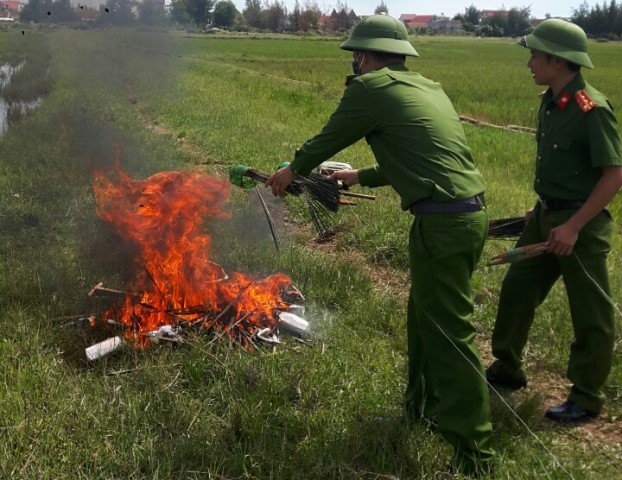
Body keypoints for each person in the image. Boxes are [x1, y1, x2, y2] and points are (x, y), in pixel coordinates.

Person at [266, 14, 494, 476]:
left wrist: (293, 170)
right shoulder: (428, 88)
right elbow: (417, 159)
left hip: (443, 224)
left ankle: (475, 455)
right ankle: (420, 409)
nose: (355, 64)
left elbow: (328, 139)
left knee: (451, 336)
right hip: (466, 216)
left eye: (356, 56)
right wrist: (357, 176)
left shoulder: (367, 89)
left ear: (363, 56)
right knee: (423, 319)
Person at [486, 19, 622, 423]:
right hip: (546, 216)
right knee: (516, 291)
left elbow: (614, 175)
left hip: (580, 226)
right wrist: (542, 209)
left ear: (558, 61)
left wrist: (574, 225)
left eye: (535, 55)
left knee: (590, 312)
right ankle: (507, 369)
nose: (529, 63)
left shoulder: (590, 109)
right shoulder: (550, 101)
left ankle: (586, 396)